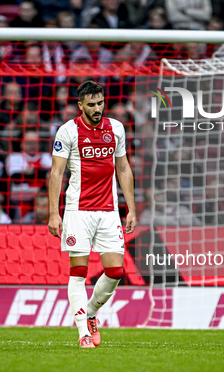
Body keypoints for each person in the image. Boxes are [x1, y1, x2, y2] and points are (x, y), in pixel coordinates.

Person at [48, 81, 136, 348]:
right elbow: (56, 173)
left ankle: (91, 313)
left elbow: (123, 169)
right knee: (78, 273)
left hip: (109, 210)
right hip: (78, 211)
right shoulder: (68, 131)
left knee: (115, 270)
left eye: (100, 103)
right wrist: (54, 213)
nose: (97, 109)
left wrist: (131, 208)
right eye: (91, 105)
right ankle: (83, 333)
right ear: (80, 105)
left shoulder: (116, 128)